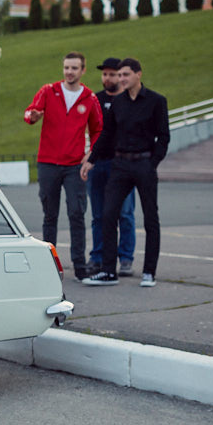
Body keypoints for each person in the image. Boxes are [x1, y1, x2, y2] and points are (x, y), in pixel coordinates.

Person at [81, 58, 170, 288]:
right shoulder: (117, 103)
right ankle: (109, 271)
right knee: (108, 214)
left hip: (144, 164)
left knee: (150, 218)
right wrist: (91, 160)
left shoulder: (156, 101)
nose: (121, 79)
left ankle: (149, 272)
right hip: (120, 165)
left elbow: (164, 136)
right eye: (119, 75)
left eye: (125, 75)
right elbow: (107, 134)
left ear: (138, 75)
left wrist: (153, 163)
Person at [23, 52, 104, 280]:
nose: (69, 72)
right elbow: (29, 112)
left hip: (73, 166)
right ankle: (50, 266)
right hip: (47, 162)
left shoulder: (89, 98)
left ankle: (79, 267)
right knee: (50, 215)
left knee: (76, 213)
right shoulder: (49, 91)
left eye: (74, 68)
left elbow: (98, 129)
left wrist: (91, 155)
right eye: (66, 67)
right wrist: (33, 117)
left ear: (82, 70)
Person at [85, 58, 137, 277]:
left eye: (112, 74)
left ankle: (125, 258)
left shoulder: (129, 100)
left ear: (122, 76)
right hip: (98, 163)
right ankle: (97, 257)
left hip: (122, 164)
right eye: (104, 74)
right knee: (98, 215)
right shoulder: (94, 100)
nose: (107, 78)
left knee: (125, 214)